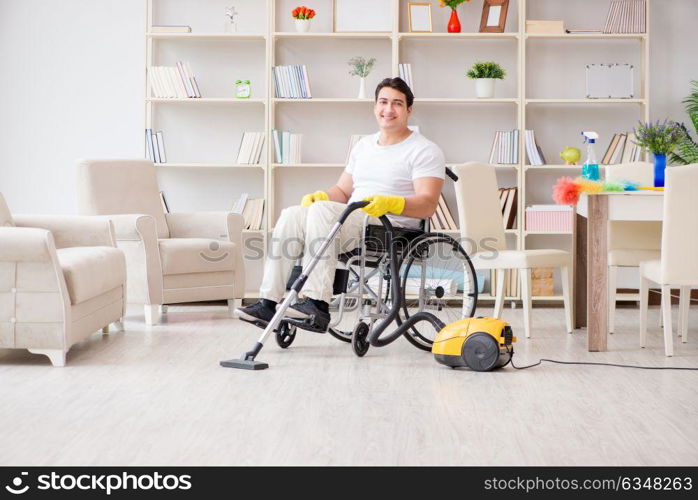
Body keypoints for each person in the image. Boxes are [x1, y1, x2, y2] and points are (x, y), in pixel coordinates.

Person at [237, 77, 446, 331]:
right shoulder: (363, 146)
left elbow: (427, 205)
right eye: (383, 102)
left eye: (397, 104)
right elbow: (342, 190)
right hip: (351, 219)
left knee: (322, 213)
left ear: (409, 110)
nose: (388, 110)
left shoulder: (424, 150)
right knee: (293, 213)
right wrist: (322, 196)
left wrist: (391, 203)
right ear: (374, 106)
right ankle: (268, 303)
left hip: (388, 227)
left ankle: (317, 304)